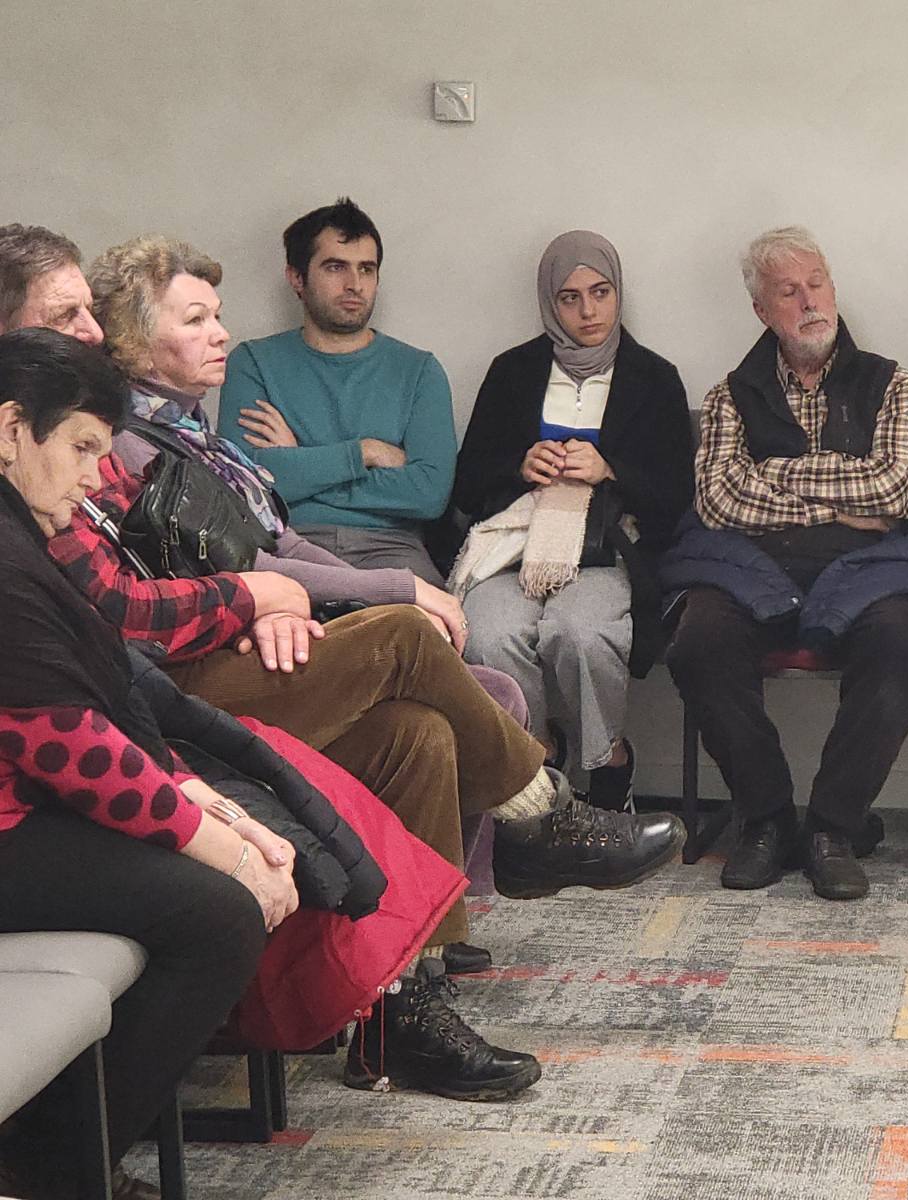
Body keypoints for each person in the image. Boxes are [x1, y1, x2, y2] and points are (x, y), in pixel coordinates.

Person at [0, 226, 686, 957]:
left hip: (239, 627)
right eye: (196, 319)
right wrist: (267, 587)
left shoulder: (186, 431)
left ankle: (415, 971)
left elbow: (414, 495)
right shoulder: (108, 443)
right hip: (172, 678)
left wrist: (278, 578)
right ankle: (539, 815)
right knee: (411, 635)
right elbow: (146, 601)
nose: (92, 332)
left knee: (419, 730)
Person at [0, 327, 269, 1197]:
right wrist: (218, 843)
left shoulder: (20, 534)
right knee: (220, 917)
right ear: (10, 431)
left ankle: (57, 1154)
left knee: (221, 881)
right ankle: (53, 1168)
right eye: (82, 448)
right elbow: (65, 745)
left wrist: (196, 801)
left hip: (20, 808)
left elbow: (105, 708)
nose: (95, 477)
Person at [663, 226, 908, 901]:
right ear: (762, 311)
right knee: (698, 641)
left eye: (816, 284)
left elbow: (894, 491)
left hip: (872, 565)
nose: (809, 301)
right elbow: (719, 499)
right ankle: (766, 821)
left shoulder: (894, 384)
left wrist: (774, 476)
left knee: (904, 639)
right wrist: (836, 502)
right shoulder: (729, 394)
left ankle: (832, 829)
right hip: (751, 566)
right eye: (789, 292)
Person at [447, 231, 694, 806]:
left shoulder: (653, 376)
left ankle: (610, 762)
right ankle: (535, 761)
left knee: (579, 633)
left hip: (608, 549)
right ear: (549, 302)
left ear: (618, 293)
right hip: (515, 548)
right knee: (490, 632)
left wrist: (611, 470)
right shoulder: (513, 372)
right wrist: (520, 466)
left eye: (600, 293)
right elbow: (467, 483)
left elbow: (678, 496)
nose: (588, 312)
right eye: (570, 298)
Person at [216, 198, 452, 583]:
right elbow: (242, 485)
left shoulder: (419, 370)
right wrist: (364, 453)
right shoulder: (253, 362)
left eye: (366, 269)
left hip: (391, 549)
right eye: (335, 267)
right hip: (285, 545)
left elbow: (428, 494)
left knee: (432, 616)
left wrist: (299, 463)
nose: (354, 284)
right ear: (297, 277)